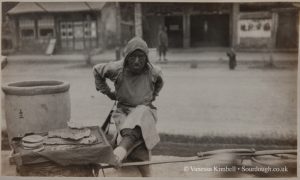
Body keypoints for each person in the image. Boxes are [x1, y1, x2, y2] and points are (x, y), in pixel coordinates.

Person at [93, 37, 164, 177]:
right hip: (123, 112)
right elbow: (96, 70)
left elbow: (159, 83)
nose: (137, 61)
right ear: (126, 57)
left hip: (146, 112)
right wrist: (108, 93)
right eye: (133, 57)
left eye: (141, 57)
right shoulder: (117, 69)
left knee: (143, 111)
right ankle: (135, 162)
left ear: (146, 58)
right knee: (139, 136)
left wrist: (152, 96)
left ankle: (120, 151)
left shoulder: (153, 72)